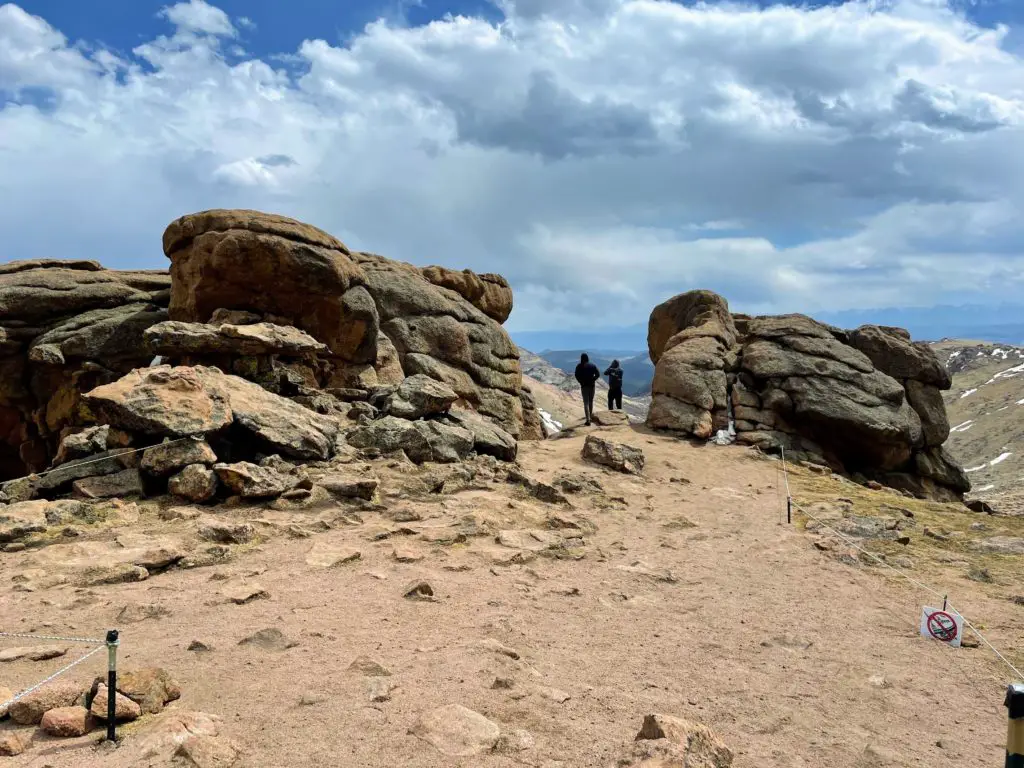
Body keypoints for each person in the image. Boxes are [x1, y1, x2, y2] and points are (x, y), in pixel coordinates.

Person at [574, 352, 600, 426]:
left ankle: (587, 420)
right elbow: (598, 374)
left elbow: (576, 375)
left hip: (584, 386)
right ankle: (590, 417)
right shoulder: (592, 365)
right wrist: (593, 379)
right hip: (592, 386)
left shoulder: (579, 366)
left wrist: (580, 382)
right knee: (591, 401)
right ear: (587, 358)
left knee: (586, 403)